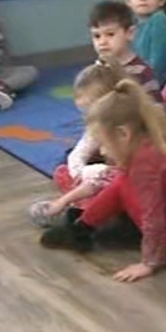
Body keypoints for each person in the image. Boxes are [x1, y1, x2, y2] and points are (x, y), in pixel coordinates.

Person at [39, 80, 166, 282]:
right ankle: (82, 226)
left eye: (104, 144)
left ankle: (84, 227)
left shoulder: (146, 161)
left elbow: (153, 216)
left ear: (124, 133)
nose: (103, 151)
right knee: (120, 181)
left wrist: (150, 262)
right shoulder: (156, 140)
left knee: (121, 184)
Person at [29, 62, 126, 227]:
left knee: (105, 183)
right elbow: (79, 152)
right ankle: (80, 201)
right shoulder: (97, 125)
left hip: (121, 179)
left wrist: (94, 173)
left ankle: (83, 209)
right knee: (63, 171)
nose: (89, 115)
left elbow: (125, 171)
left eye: (91, 109)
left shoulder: (125, 126)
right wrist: (80, 174)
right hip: (100, 177)